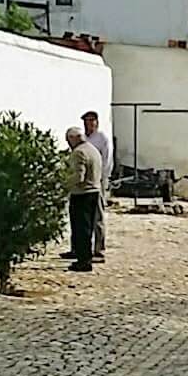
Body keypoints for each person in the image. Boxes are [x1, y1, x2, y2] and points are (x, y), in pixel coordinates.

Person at [63, 126, 103, 273]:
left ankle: (83, 260)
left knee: (81, 228)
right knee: (88, 227)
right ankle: (83, 256)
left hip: (82, 193)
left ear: (73, 138)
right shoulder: (92, 149)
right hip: (94, 191)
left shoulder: (78, 152)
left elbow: (79, 176)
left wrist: (63, 184)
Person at [81, 110, 110, 262]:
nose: (89, 123)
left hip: (97, 181)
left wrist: (102, 178)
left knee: (98, 215)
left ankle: (99, 249)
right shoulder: (82, 138)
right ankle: (79, 248)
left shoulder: (101, 138)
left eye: (92, 120)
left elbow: (106, 160)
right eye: (87, 121)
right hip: (83, 182)